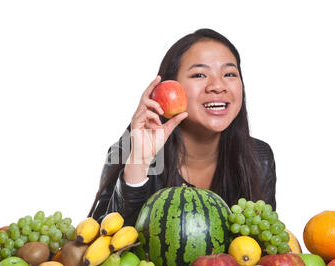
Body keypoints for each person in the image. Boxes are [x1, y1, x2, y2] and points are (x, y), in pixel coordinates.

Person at [88, 28, 276, 226]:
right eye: (199, 75)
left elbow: (263, 247)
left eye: (229, 73)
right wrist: (139, 162)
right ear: (170, 86)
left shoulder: (259, 158)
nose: (218, 86)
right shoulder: (127, 152)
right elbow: (102, 244)